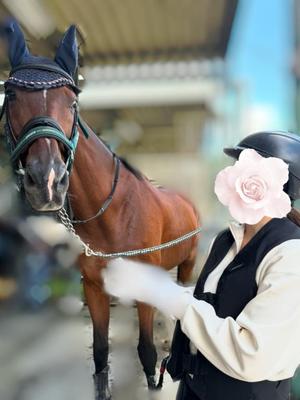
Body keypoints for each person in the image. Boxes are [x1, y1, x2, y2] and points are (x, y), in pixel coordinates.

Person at [103, 131, 300, 400]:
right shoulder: (227, 239)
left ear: (280, 184)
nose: (234, 174)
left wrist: (169, 295)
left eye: (244, 165)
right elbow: (215, 301)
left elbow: (252, 354)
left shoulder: (291, 254)